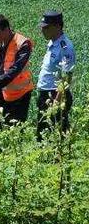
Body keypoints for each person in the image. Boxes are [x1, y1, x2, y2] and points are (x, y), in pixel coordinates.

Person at [36, 10, 76, 140]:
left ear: (58, 26)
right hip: (46, 94)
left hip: (56, 95)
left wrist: (56, 102)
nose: (43, 31)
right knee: (43, 135)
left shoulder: (65, 47)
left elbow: (66, 77)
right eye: (42, 27)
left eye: (46, 28)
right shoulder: (52, 42)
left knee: (57, 135)